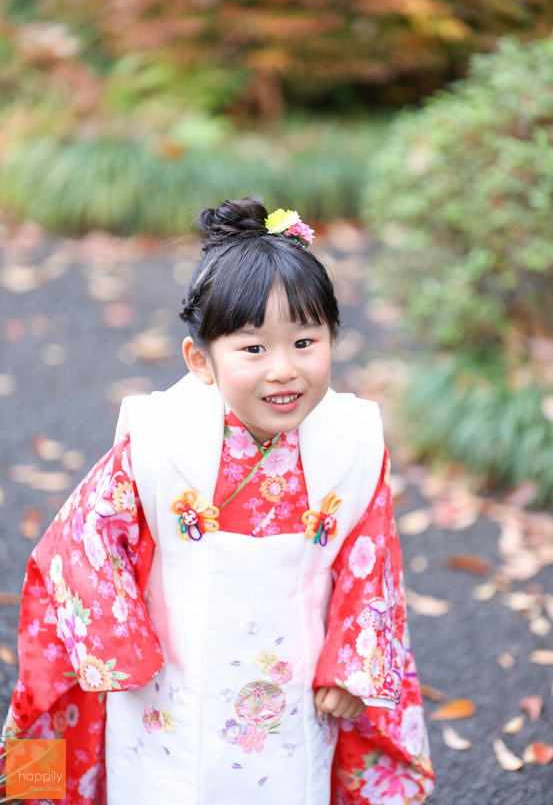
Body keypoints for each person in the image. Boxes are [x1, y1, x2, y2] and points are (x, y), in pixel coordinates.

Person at [1, 198, 434, 805]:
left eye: (305, 342)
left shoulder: (354, 442)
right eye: (253, 349)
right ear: (200, 361)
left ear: (333, 337)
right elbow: (84, 540)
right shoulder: (157, 437)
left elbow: (373, 562)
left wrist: (352, 665)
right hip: (166, 683)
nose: (283, 370)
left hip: (293, 683)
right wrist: (120, 645)